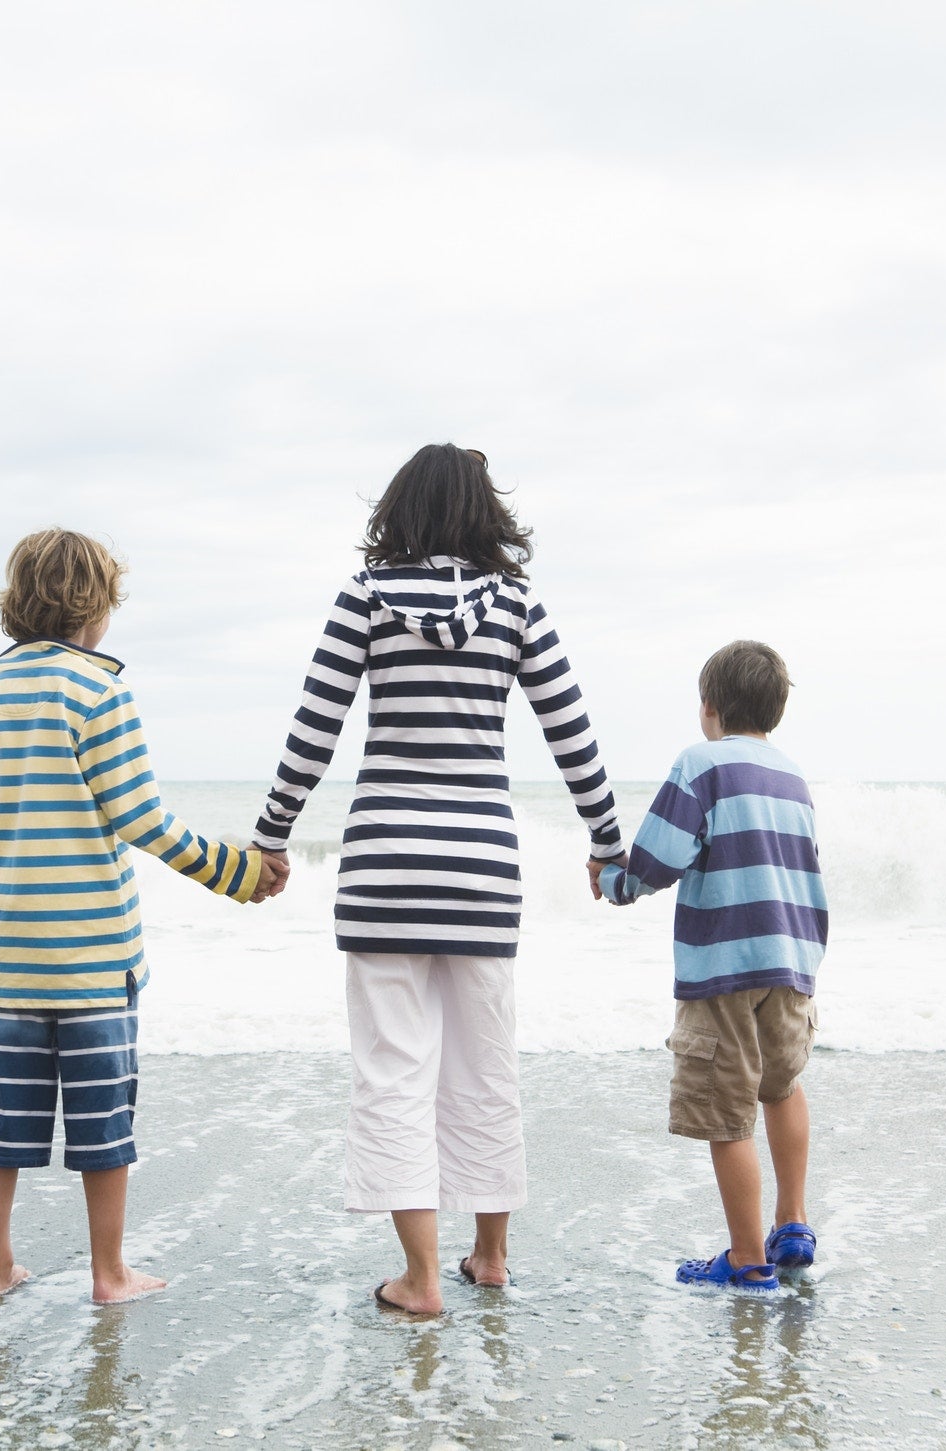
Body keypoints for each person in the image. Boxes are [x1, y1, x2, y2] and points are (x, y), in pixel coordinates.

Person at [251, 444, 621, 1316]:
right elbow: (572, 731)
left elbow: (316, 726)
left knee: (391, 1071)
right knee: (486, 1065)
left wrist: (272, 836)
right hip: (483, 870)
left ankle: (419, 1278)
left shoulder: (364, 598)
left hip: (382, 864)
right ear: (484, 512)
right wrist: (607, 839)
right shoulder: (517, 605)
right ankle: (488, 1257)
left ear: (401, 509)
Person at [0, 528, 277, 1303]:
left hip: (11, 959)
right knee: (103, 1122)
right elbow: (145, 819)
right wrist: (238, 871)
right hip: (94, 959)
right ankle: (109, 1272)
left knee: (2, 1118)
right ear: (95, 608)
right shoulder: (100, 692)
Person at [595, 640, 827, 1295]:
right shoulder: (792, 777)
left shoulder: (701, 764)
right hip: (791, 961)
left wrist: (616, 881)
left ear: (710, 707)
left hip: (724, 965)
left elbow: (659, 858)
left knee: (726, 1115)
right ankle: (794, 1221)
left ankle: (749, 1260)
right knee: (780, 1086)